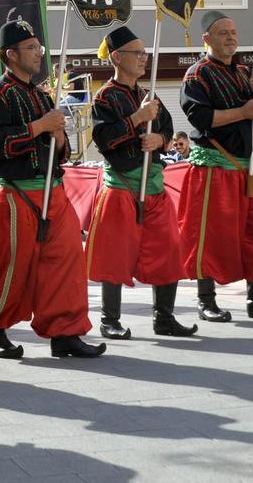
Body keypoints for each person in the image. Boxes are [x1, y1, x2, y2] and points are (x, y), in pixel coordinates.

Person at [0, 19, 104, 360]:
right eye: (31, 48)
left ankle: (65, 331)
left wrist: (59, 136)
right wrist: (40, 126)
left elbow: (60, 153)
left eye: (39, 47)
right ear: (10, 54)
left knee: (67, 261)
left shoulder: (43, 94)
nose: (38, 54)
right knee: (13, 265)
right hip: (16, 193)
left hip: (53, 190)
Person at [177, 11, 253, 323]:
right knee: (213, 236)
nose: (230, 37)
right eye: (222, 33)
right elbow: (201, 120)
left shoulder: (246, 72)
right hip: (217, 168)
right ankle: (206, 299)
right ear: (207, 39)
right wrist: (244, 110)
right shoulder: (196, 75)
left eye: (232, 32)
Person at [89, 26, 196, 340]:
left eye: (144, 53)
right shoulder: (105, 97)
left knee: (169, 249)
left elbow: (168, 131)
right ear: (117, 58)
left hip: (153, 186)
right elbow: (104, 139)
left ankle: (164, 317)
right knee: (115, 255)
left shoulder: (149, 93)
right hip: (121, 187)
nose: (143, 59)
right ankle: (110, 320)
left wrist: (159, 139)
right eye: (137, 54)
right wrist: (136, 119)